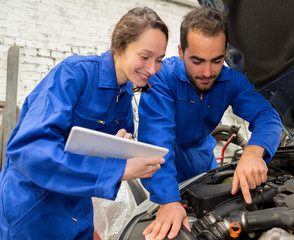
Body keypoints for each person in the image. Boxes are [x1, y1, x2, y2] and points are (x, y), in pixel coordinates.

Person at [0, 7, 168, 239]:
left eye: (159, 60)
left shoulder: (125, 95)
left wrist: (116, 151)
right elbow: (29, 150)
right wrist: (120, 169)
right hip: (34, 209)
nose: (152, 69)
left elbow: (92, 156)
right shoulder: (74, 74)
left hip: (77, 209)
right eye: (145, 57)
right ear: (120, 47)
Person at [138, 6, 282, 240]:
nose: (207, 72)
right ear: (181, 52)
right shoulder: (162, 79)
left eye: (216, 60)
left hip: (204, 160)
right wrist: (168, 199)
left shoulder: (232, 81)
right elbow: (156, 142)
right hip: (164, 164)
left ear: (225, 51)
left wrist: (254, 152)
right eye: (197, 60)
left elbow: (267, 116)